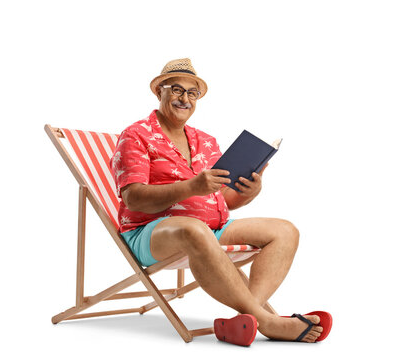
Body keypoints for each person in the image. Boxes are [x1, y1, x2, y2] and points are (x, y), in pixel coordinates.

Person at [110, 58, 327, 343]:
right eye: (176, 89)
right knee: (193, 229)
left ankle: (246, 319)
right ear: (159, 91)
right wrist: (191, 187)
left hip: (211, 228)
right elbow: (134, 198)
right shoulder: (136, 135)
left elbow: (222, 199)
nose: (184, 98)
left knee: (285, 231)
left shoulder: (205, 141)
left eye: (192, 92)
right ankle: (268, 322)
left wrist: (249, 191)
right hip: (151, 231)